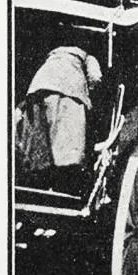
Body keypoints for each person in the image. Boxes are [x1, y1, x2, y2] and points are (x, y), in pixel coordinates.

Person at [16, 46, 103, 195]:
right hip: (69, 90)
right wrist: (90, 94)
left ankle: (38, 180)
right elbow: (95, 77)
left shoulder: (52, 55)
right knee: (67, 139)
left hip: (38, 87)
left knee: (40, 136)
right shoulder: (87, 57)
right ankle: (65, 183)